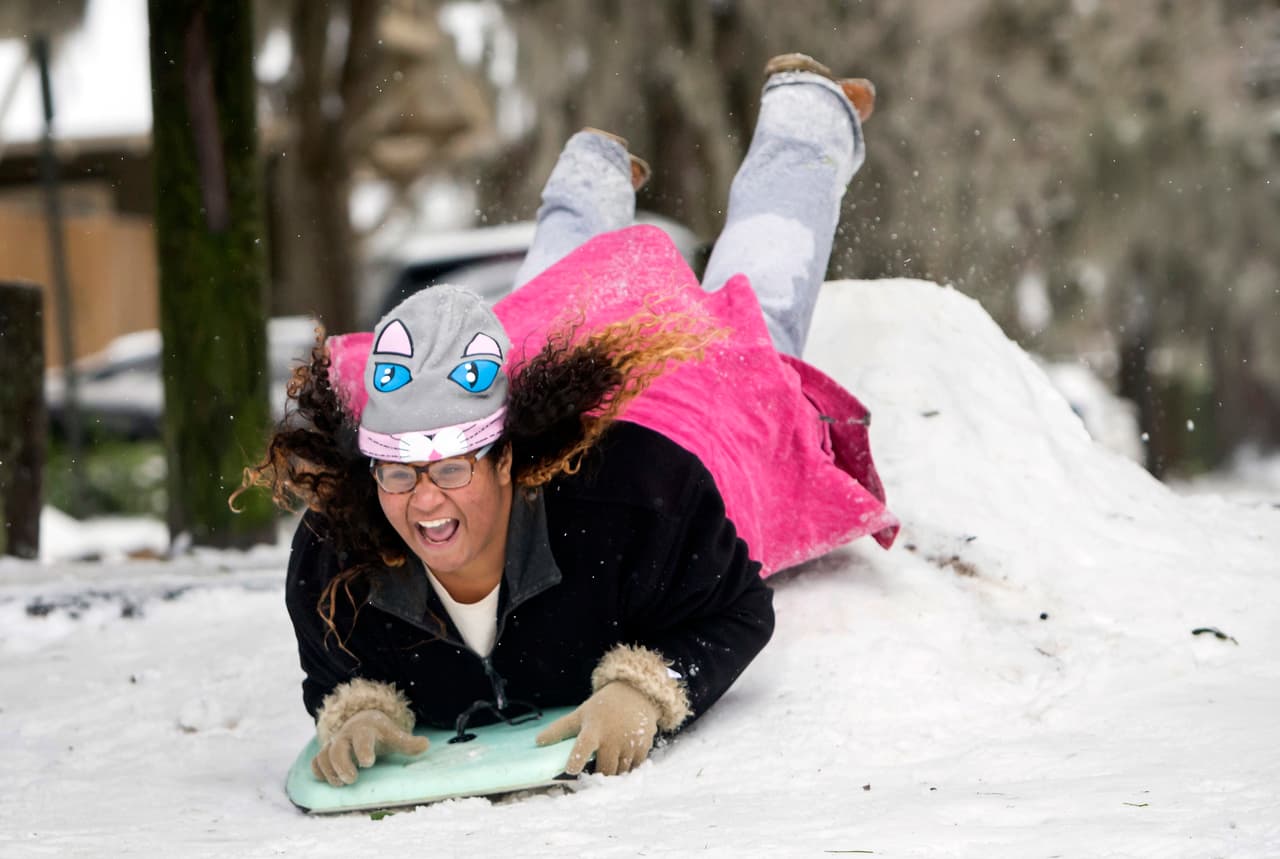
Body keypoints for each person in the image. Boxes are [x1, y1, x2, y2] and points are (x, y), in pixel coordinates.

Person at [241, 53, 897, 788]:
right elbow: (335, 670)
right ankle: (592, 170)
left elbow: (736, 607)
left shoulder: (645, 502)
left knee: (757, 307)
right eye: (399, 473)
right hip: (557, 377)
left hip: (692, 414)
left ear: (508, 458)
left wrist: (642, 690)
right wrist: (356, 709)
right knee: (545, 308)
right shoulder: (336, 559)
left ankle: (805, 122)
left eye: (452, 468)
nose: (424, 501)